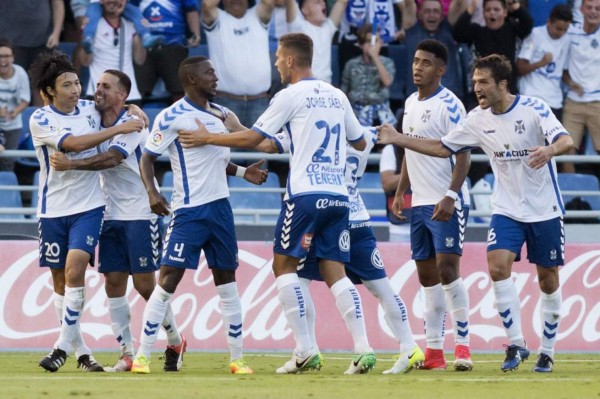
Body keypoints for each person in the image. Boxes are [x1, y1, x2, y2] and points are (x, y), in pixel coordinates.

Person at [177, 33, 374, 374]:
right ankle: (363, 347)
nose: (276, 63)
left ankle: (305, 349)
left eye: (279, 58)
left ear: (291, 61)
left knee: (283, 268)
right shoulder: (336, 95)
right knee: (334, 270)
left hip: (304, 196)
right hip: (339, 197)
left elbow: (256, 139)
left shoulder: (290, 95)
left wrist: (208, 137)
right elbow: (358, 140)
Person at [378, 53, 574, 373]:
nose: (477, 88)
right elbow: (444, 147)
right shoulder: (477, 118)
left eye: (483, 82)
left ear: (502, 84)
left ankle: (548, 350)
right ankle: (516, 344)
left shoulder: (534, 108)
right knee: (497, 268)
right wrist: (399, 139)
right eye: (474, 82)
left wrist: (550, 149)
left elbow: (566, 140)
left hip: (544, 209)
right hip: (506, 208)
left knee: (548, 279)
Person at [130, 56, 267, 375]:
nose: (216, 78)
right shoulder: (171, 116)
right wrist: (152, 192)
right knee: (166, 281)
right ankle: (143, 355)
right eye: (210, 73)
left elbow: (216, 159)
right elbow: (148, 158)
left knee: (227, 283)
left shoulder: (223, 114)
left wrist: (244, 171)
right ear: (191, 79)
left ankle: (237, 358)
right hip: (188, 212)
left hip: (221, 211)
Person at [48, 70, 185, 372]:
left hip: (141, 212)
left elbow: (110, 158)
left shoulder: (132, 125)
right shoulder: (93, 117)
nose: (97, 90)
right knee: (113, 285)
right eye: (96, 85)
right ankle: (127, 352)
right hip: (108, 213)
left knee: (146, 286)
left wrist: (71, 164)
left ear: (122, 96)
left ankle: (175, 339)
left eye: (106, 87)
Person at [266, 127, 425, 374]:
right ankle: (409, 346)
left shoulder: (315, 129)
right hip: (358, 216)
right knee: (381, 287)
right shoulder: (367, 133)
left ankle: (308, 349)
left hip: (323, 215)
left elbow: (268, 144)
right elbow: (405, 146)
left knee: (299, 279)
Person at [29, 51, 144, 372]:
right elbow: (74, 144)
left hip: (90, 208)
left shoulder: (90, 110)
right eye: (67, 85)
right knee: (59, 281)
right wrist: (117, 131)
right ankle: (81, 353)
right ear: (50, 91)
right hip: (52, 209)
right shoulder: (41, 119)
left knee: (75, 270)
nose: (77, 90)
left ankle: (61, 347)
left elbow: (119, 110)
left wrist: (133, 109)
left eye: (78, 82)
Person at [393, 39, 472, 371]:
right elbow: (411, 152)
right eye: (415, 61)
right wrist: (400, 192)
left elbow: (464, 154)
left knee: (448, 271)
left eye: (426, 63)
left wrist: (451, 196)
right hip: (419, 202)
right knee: (426, 276)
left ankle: (464, 348)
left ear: (441, 70)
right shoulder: (410, 102)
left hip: (444, 201)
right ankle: (435, 353)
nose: (417, 67)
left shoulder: (450, 105)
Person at [202, 0, 275, 128]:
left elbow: (268, 2)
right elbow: (207, 5)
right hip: (225, 103)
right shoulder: (217, 17)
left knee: (261, 148)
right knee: (227, 148)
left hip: (260, 101)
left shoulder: (257, 15)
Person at [453, 0, 533, 94]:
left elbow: (527, 23)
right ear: (483, 13)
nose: (492, 13)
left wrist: (514, 4)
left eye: (496, 9)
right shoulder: (477, 32)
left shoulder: (512, 30)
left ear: (505, 12)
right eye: (488, 10)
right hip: (481, 93)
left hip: (508, 91)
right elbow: (457, 33)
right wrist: (471, 9)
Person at [132, 0, 201, 104]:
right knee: (136, 92)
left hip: (173, 43)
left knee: (179, 91)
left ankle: (181, 117)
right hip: (145, 46)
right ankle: (133, 119)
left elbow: (190, 9)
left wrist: (195, 34)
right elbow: (130, 9)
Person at [78, 0, 146, 103]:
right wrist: (87, 45)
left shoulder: (131, 24)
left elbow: (140, 60)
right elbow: (85, 62)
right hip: (98, 93)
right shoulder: (92, 24)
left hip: (128, 94)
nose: (112, 1)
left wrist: (141, 34)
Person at [561, 0, 600, 173]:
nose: (593, 12)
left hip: (598, 102)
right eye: (590, 7)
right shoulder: (570, 32)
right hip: (573, 102)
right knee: (566, 151)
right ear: (582, 9)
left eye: (598, 9)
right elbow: (560, 64)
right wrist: (570, 83)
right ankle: (574, 195)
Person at [402, 0, 468, 101]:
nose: (431, 15)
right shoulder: (412, 30)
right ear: (419, 15)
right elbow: (408, 4)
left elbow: (458, 4)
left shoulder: (448, 29)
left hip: (450, 96)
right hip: (417, 97)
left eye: (436, 11)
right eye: (427, 11)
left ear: (442, 16)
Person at [516, 4, 573, 121]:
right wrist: (540, 63)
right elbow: (519, 68)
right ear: (549, 22)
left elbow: (562, 71)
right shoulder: (535, 35)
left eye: (565, 29)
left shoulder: (568, 40)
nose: (561, 32)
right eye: (558, 28)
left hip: (554, 102)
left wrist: (574, 85)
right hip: (531, 98)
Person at [341, 23, 396, 127]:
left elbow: (387, 82)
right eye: (368, 41)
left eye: (376, 42)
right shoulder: (351, 64)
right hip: (355, 112)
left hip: (379, 113)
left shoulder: (387, 63)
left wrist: (375, 57)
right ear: (361, 45)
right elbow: (344, 90)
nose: (372, 45)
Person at [285, 0, 346, 83]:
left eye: (323, 1)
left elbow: (342, 2)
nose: (323, 3)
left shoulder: (328, 28)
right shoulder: (298, 27)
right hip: (301, 87)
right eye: (317, 2)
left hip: (324, 88)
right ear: (304, 10)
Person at [70, 0, 163, 54]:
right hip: (97, 2)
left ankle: (146, 35)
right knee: (91, 18)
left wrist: (123, 2)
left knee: (136, 13)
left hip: (119, 2)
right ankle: (89, 38)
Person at [0, 39, 30, 172]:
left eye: (6, 56)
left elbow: (25, 100)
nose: (3, 60)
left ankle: (6, 191)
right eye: (0, 56)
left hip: (13, 126)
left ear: (12, 58)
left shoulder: (21, 73)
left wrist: (14, 112)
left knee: (8, 161)